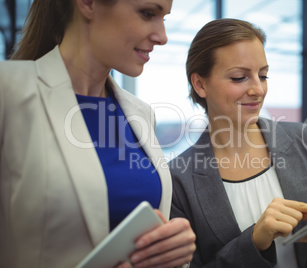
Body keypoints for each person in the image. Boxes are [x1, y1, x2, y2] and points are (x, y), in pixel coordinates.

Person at [169, 18, 307, 267]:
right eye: (239, 77)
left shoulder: (305, 140)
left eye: (263, 75)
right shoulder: (177, 179)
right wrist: (254, 242)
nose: (258, 89)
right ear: (200, 84)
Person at [0, 0, 196, 267]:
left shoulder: (140, 114)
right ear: (88, 4)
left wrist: (172, 251)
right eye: (148, 13)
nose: (162, 37)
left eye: (164, 18)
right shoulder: (8, 91)